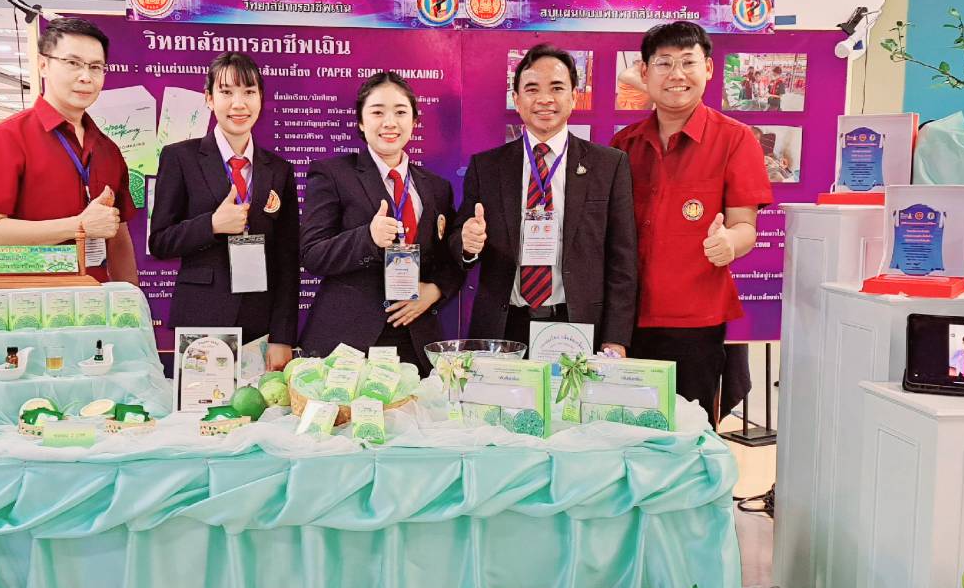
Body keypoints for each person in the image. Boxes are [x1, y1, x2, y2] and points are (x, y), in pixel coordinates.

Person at [612, 21, 773, 426]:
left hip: (693, 322)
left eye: (688, 62)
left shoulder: (735, 139)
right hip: (623, 321)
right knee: (619, 431)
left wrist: (730, 243)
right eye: (664, 63)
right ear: (645, 72)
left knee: (689, 436)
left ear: (709, 69)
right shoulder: (623, 144)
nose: (677, 74)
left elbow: (745, 225)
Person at [452, 43, 637, 353]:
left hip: (577, 324)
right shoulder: (487, 167)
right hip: (504, 325)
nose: (545, 99)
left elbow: (623, 260)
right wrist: (467, 243)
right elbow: (459, 241)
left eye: (557, 88)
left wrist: (616, 338)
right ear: (516, 99)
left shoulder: (609, 165)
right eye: (532, 89)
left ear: (574, 97)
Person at [149, 53, 300, 373]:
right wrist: (212, 225)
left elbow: (288, 259)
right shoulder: (181, 158)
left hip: (261, 323)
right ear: (209, 98)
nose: (238, 104)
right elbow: (159, 241)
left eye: (249, 92)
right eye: (226, 92)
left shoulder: (279, 170)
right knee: (202, 406)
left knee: (261, 405)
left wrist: (283, 335)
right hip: (201, 318)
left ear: (260, 98)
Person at [301, 71, 460, 373]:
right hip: (348, 341)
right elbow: (312, 254)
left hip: (415, 338)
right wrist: (367, 238)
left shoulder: (436, 187)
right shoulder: (332, 174)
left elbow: (450, 259)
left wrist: (436, 289)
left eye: (400, 112)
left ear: (414, 121)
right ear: (361, 122)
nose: (390, 122)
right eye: (377, 112)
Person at [0, 17, 137, 284]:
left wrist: (131, 298)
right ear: (43, 65)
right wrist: (78, 226)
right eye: (72, 63)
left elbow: (118, 235)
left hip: (94, 300)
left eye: (95, 67)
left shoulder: (108, 150)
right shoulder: (7, 137)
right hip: (29, 301)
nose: (85, 77)